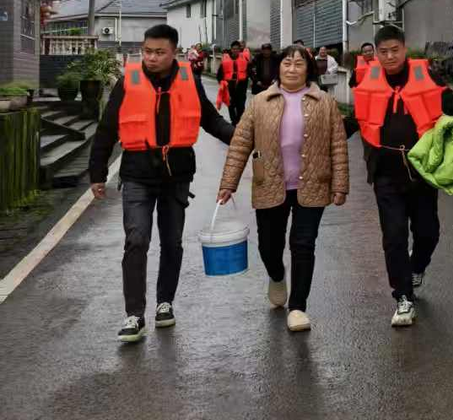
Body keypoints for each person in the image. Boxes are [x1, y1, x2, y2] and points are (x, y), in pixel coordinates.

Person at [89, 24, 235, 343]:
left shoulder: (189, 80)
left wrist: (241, 138)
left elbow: (211, 120)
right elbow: (106, 129)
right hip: (137, 173)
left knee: (172, 242)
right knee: (136, 239)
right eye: (147, 51)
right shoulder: (128, 81)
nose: (151, 58)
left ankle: (164, 303)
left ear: (174, 53)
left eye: (159, 52)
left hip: (176, 175)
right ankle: (134, 315)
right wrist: (97, 173)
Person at [217, 45, 349, 332]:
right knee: (269, 246)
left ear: (308, 70)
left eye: (299, 64)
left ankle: (298, 307)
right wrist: (229, 183)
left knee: (303, 244)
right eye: (287, 63)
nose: (292, 69)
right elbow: (240, 144)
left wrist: (340, 185)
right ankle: (277, 276)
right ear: (278, 67)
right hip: (270, 183)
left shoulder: (325, 103)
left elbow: (338, 145)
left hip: (313, 184)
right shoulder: (260, 102)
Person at [349, 24, 453, 328]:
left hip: (422, 170)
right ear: (376, 54)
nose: (390, 56)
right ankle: (403, 297)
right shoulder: (368, 80)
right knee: (394, 236)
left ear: (405, 49)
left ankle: (417, 267)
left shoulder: (427, 77)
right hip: (385, 172)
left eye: (395, 50)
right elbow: (356, 119)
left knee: (428, 232)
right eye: (383, 52)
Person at [217, 40, 251, 125]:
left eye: (237, 49)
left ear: (239, 49)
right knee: (231, 104)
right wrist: (221, 83)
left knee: (241, 105)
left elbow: (249, 71)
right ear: (231, 49)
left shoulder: (244, 59)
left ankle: (239, 121)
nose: (235, 50)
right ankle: (233, 121)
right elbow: (219, 74)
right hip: (229, 85)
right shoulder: (225, 60)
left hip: (241, 85)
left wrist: (253, 80)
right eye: (234, 49)